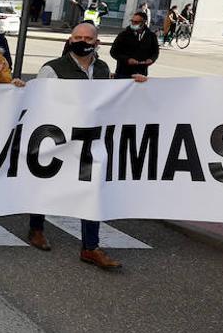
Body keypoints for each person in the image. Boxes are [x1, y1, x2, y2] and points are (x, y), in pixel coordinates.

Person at [28, 21, 147, 269]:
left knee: (92, 190)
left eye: (87, 38)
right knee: (46, 184)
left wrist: (133, 86)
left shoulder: (102, 68)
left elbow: (109, 98)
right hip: (58, 138)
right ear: (70, 40)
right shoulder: (52, 69)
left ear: (97, 42)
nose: (82, 42)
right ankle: (36, 228)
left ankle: (90, 247)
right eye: (77, 37)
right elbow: (35, 102)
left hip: (90, 140)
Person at [109, 11, 159, 79]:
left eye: (136, 22)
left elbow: (155, 51)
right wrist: (127, 59)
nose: (133, 23)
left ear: (144, 22)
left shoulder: (151, 36)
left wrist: (151, 59)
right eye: (132, 21)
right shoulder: (123, 35)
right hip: (123, 73)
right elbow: (113, 52)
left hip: (141, 72)